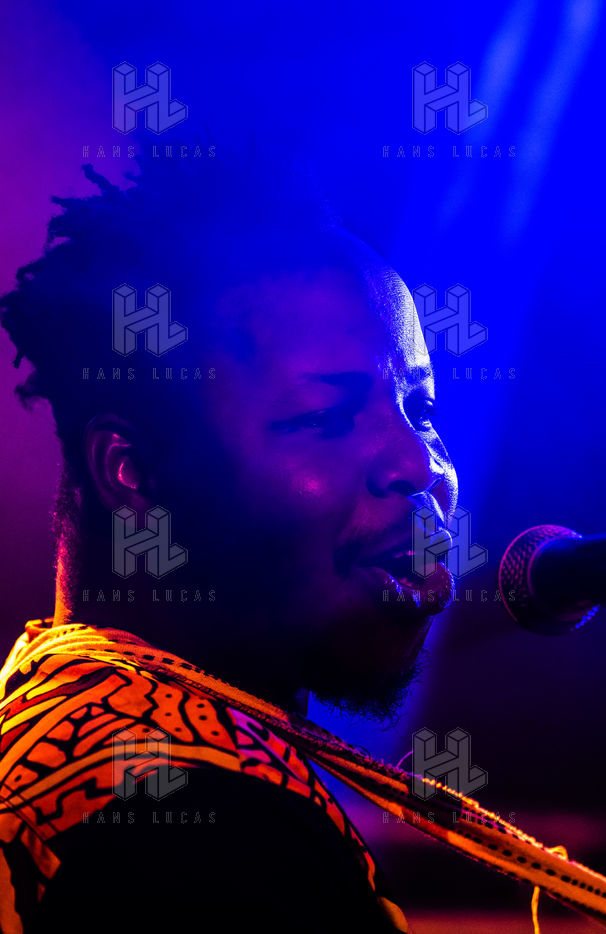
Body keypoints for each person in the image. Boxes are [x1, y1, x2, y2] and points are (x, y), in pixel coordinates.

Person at [0, 144, 457, 933]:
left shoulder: (71, 732)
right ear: (134, 474)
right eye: (325, 416)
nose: (415, 465)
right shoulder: (185, 832)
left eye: (419, 410)